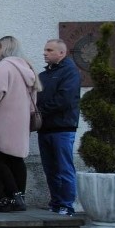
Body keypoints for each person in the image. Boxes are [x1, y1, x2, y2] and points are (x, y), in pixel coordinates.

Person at [0, 36, 41, 213]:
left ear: (5, 49)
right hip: (20, 121)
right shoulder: (27, 68)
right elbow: (33, 99)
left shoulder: (4, 67)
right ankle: (18, 196)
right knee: (16, 159)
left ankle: (14, 196)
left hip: (2, 119)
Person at [37, 39, 81, 216]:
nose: (45, 53)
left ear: (61, 53)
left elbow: (64, 99)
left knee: (64, 168)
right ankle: (56, 202)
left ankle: (67, 205)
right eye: (45, 49)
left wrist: (40, 112)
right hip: (45, 128)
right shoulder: (44, 75)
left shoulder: (70, 72)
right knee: (50, 169)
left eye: (49, 50)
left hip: (63, 128)